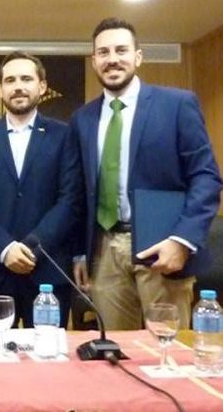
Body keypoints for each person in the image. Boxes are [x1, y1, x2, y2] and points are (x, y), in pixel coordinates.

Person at [70, 17, 222, 330]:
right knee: (114, 350)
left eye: (121, 50)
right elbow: (79, 191)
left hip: (162, 247)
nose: (112, 59)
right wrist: (79, 253)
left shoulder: (177, 105)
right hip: (104, 252)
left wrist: (182, 240)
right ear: (94, 61)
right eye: (103, 52)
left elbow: (206, 177)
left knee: (166, 349)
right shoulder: (83, 119)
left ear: (138, 56)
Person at [0, 51, 82, 330]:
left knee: (47, 355)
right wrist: (5, 249)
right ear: (0, 89)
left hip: (48, 271)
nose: (18, 86)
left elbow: (70, 200)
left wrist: (30, 248)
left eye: (26, 79)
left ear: (42, 86)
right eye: (10, 80)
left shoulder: (64, 135)